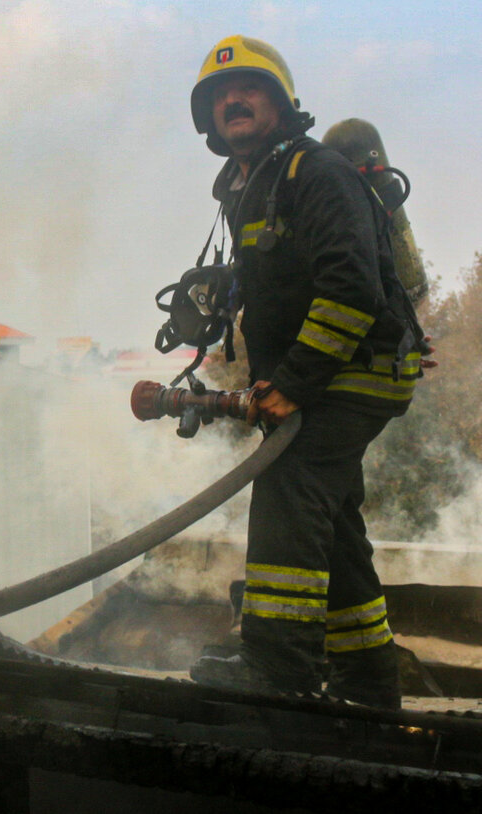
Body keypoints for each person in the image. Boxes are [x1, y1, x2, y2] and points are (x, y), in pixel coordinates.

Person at [184, 36, 429, 708]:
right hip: (327, 370)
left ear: (282, 103)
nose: (234, 100)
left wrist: (293, 382)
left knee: (289, 486)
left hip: (354, 368)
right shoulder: (251, 187)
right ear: (208, 117)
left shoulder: (315, 172)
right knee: (334, 521)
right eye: (220, 95)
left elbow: (352, 287)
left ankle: (278, 665)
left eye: (250, 88)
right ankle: (368, 677)